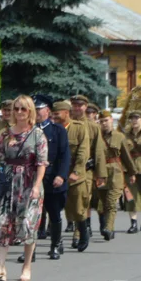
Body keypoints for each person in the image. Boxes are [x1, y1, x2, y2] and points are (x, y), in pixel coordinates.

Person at [0, 95, 48, 281]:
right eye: (16, 109)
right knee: (2, 222)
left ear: (30, 111)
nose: (19, 112)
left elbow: (41, 163)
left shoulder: (37, 134)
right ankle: (0, 266)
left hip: (29, 183)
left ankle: (26, 266)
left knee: (28, 225)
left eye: (23, 109)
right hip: (8, 182)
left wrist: (37, 186)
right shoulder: (6, 134)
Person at [33, 94, 70, 261]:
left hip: (52, 179)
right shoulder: (29, 130)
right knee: (32, 216)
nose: (36, 112)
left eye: (38, 109)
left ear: (47, 110)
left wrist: (61, 175)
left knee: (54, 214)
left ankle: (55, 245)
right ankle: (29, 251)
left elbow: (64, 155)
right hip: (33, 180)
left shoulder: (57, 130)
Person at [69, 95, 107, 247]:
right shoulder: (67, 124)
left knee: (83, 201)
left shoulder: (93, 127)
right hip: (68, 170)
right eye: (75, 105)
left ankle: (78, 233)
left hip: (87, 170)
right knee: (69, 203)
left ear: (85, 107)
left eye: (80, 105)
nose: (77, 108)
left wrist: (101, 174)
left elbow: (98, 152)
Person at [55, 100, 92, 252]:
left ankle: (83, 233)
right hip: (58, 177)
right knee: (58, 210)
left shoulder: (79, 128)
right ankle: (57, 242)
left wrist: (76, 171)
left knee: (78, 209)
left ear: (66, 113)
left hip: (75, 177)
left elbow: (83, 152)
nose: (54, 116)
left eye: (57, 113)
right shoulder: (54, 129)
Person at [96, 110, 135, 241]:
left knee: (111, 202)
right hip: (100, 172)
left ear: (111, 120)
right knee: (101, 203)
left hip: (115, 173)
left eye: (106, 120)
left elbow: (126, 157)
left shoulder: (119, 137)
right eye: (101, 121)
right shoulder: (96, 136)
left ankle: (109, 228)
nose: (104, 124)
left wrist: (132, 172)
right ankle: (104, 225)